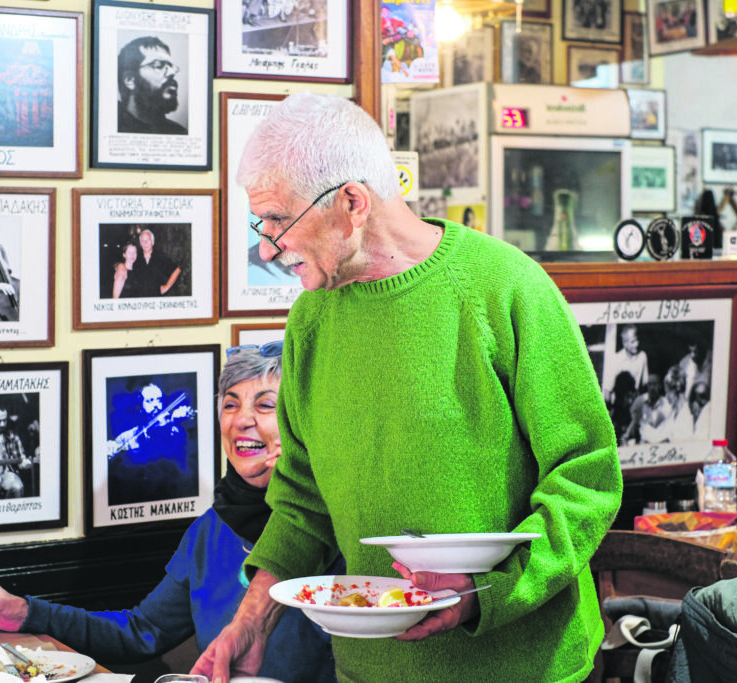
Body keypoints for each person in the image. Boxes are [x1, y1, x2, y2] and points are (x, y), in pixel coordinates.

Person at [191, 91, 622, 682]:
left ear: (351, 203)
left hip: (524, 669)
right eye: (259, 223)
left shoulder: (506, 288)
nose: (266, 248)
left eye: (277, 222)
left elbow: (587, 479)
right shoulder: (310, 320)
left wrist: (484, 592)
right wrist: (250, 621)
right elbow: (301, 499)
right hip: (368, 672)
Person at [0, 344, 338, 683]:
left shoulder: (334, 518)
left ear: (302, 419)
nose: (240, 420)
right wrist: (26, 612)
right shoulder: (212, 528)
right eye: (230, 404)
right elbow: (142, 631)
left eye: (266, 405)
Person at [107, 381, 196, 506]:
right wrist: (110, 448)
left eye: (159, 400)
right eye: (150, 401)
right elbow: (113, 451)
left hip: (173, 495)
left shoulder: (175, 429)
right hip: (136, 496)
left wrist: (181, 421)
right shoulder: (129, 436)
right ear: (141, 407)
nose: (156, 405)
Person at [117, 36, 187, 135]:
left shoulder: (179, 132)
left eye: (171, 66)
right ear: (130, 80)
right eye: (158, 65)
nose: (172, 72)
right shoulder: (112, 125)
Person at [603, 324, 649, 404]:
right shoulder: (616, 359)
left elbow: (645, 384)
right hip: (619, 405)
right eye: (633, 342)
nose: (637, 344)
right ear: (624, 343)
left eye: (637, 340)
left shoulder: (642, 356)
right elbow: (607, 390)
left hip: (636, 404)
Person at [130, 229, 181, 297]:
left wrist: (166, 287)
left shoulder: (160, 257)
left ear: (153, 242)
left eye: (148, 240)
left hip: (156, 297)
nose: (145, 243)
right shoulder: (135, 257)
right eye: (142, 241)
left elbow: (177, 270)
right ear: (140, 243)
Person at [621, 372, 668, 445]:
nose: (652, 388)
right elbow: (634, 423)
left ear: (660, 386)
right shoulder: (640, 401)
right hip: (644, 445)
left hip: (662, 444)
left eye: (655, 384)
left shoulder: (666, 403)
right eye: (650, 385)